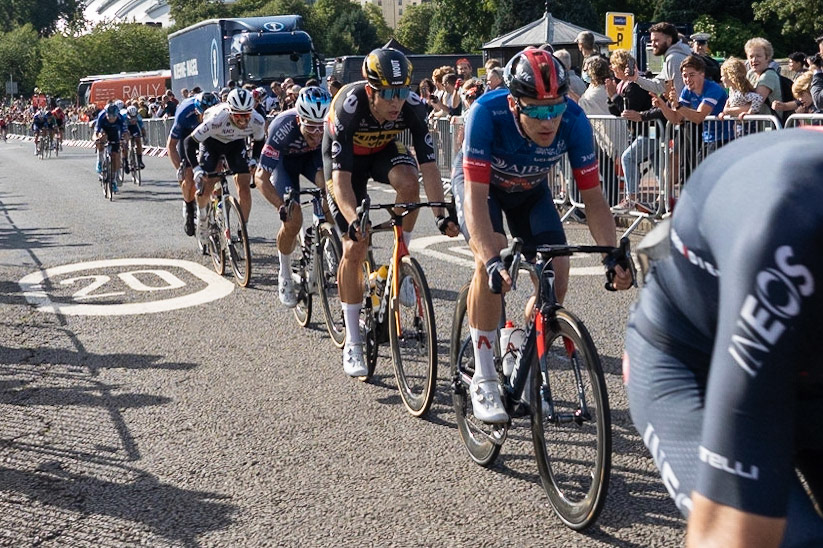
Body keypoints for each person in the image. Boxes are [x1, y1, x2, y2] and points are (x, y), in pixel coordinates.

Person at [624, 128, 823, 548]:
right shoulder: (787, 236)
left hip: (801, 355)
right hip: (692, 356)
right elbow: (729, 534)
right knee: (793, 540)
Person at [453, 47, 633, 423]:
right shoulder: (486, 112)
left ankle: (519, 345)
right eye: (536, 110)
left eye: (555, 108)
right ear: (514, 104)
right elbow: (475, 198)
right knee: (492, 257)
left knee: (558, 272)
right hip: (482, 189)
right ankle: (484, 377)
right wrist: (490, 259)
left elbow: (594, 199)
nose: (548, 120)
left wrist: (611, 254)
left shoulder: (574, 120)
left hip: (530, 191)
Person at [323, 47, 459, 377]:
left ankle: (400, 257)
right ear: (371, 90)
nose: (396, 101)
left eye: (402, 91)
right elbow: (341, 181)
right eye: (388, 93)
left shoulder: (412, 106)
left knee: (410, 183)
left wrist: (440, 214)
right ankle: (353, 340)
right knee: (355, 246)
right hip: (346, 164)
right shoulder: (348, 106)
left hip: (383, 150)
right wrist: (354, 221)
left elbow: (429, 166)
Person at [253, 87, 332, 307]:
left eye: (321, 127)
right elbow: (260, 177)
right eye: (311, 127)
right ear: (299, 120)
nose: (317, 134)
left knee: (331, 190)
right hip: (284, 164)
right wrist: (281, 206)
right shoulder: (282, 126)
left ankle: (326, 239)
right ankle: (285, 273)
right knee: (293, 219)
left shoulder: (331, 125)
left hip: (313, 159)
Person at [184, 88, 266, 250]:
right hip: (211, 143)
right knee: (208, 182)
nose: (243, 120)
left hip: (235, 144)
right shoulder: (216, 119)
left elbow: (259, 140)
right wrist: (197, 168)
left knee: (244, 185)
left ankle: (243, 229)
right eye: (238, 116)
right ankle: (202, 218)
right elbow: (189, 142)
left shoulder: (257, 120)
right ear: (229, 111)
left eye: (247, 115)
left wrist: (255, 159)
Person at [167, 91, 220, 237]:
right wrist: (180, 169)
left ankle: (219, 208)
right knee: (189, 178)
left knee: (217, 170)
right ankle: (189, 209)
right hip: (187, 136)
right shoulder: (184, 113)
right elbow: (171, 146)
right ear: (197, 111)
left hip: (208, 135)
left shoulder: (220, 112)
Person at [653, 55, 730, 154]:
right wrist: (662, 106)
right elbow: (676, 118)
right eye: (685, 76)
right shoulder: (687, 90)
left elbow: (699, 117)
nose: (688, 79)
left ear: (702, 74)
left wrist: (678, 106)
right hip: (707, 138)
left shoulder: (713, 88)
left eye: (692, 75)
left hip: (725, 138)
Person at [626, 22, 692, 97]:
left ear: (669, 40)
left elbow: (680, 94)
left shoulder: (674, 58)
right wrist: (636, 78)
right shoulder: (674, 56)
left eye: (656, 40)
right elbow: (659, 85)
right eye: (652, 41)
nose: (653, 44)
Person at [94, 103, 127, 192]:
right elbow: (96, 132)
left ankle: (113, 179)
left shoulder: (120, 118)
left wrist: (124, 140)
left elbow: (125, 132)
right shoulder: (101, 116)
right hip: (104, 130)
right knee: (101, 139)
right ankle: (100, 160)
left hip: (115, 133)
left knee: (115, 156)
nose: (111, 119)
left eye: (113, 117)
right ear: (106, 114)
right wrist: (96, 139)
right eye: (109, 117)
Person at [122, 105, 147, 174]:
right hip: (125, 128)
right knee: (125, 145)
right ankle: (125, 162)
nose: (132, 120)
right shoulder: (123, 117)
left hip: (133, 127)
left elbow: (142, 128)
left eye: (134, 118)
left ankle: (140, 160)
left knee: (138, 140)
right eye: (131, 118)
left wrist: (144, 137)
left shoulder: (138, 116)